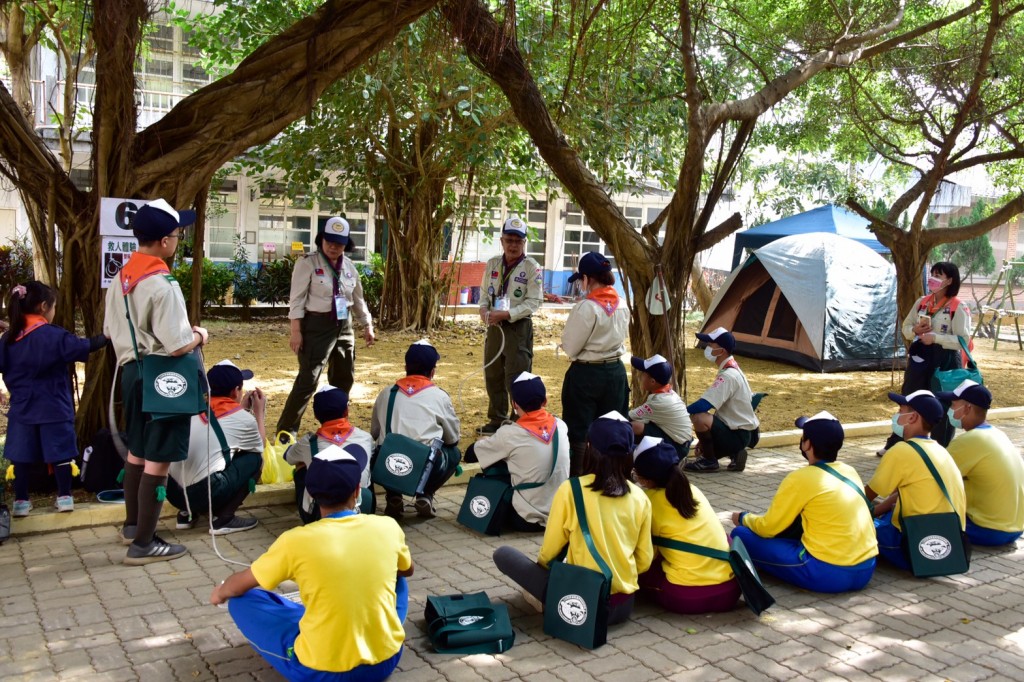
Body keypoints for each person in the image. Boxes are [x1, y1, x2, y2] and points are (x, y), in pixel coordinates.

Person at [211, 442, 413, 682]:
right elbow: (407, 570)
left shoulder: (295, 541)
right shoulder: (387, 526)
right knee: (398, 578)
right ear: (357, 491)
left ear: (312, 495)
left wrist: (221, 592)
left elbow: (240, 584)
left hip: (321, 673)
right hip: (385, 661)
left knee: (240, 600)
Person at [104, 198, 209, 565]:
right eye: (178, 233)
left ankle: (133, 526)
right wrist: (200, 335)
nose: (179, 239)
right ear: (165, 241)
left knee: (137, 450)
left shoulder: (121, 277)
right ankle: (145, 544)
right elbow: (178, 344)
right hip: (163, 376)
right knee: (159, 458)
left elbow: (109, 330)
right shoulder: (163, 284)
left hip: (130, 373)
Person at [493, 412, 653, 625]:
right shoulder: (640, 497)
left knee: (504, 554)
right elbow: (643, 560)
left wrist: (547, 576)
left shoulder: (571, 490)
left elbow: (550, 552)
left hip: (581, 600)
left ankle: (549, 603)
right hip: (622, 606)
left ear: (589, 447)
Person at [730, 412, 877, 592]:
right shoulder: (849, 471)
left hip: (828, 572)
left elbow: (768, 528)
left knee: (741, 535)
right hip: (866, 568)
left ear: (807, 444)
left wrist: (744, 518)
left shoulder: (800, 478)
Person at [0, 281, 107, 516]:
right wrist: (107, 336)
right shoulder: (53, 335)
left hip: (22, 409)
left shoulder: (8, 339)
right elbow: (85, 346)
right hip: (54, 407)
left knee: (21, 457)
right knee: (60, 453)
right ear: (44, 306)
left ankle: (20, 502)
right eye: (54, 306)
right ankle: (65, 497)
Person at [277, 216, 375, 440]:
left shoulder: (350, 268)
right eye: (330, 241)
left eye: (339, 243)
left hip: (344, 325)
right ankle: (286, 431)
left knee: (343, 378)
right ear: (321, 240)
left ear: (346, 245)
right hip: (316, 325)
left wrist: (367, 324)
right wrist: (296, 332)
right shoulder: (307, 263)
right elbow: (297, 300)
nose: (333, 247)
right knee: (308, 380)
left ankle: (336, 425)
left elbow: (358, 301)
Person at [633, 437, 740, 613]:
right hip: (731, 590)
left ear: (643, 479)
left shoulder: (647, 502)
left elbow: (647, 557)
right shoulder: (692, 490)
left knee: (638, 571)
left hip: (689, 595)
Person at [867, 390, 967, 571]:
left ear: (912, 418)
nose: (896, 415)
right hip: (949, 538)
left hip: (910, 544)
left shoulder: (901, 450)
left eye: (900, 410)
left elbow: (867, 496)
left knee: (854, 528)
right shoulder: (940, 450)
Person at [878, 261, 970, 455]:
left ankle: (937, 449)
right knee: (909, 399)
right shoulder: (922, 301)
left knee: (942, 403)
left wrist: (936, 338)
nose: (933, 279)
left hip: (944, 360)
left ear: (950, 280)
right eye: (933, 274)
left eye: (939, 275)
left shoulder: (957, 306)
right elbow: (906, 327)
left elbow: (963, 340)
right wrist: (915, 330)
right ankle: (896, 444)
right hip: (920, 358)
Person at [166, 360, 264, 535]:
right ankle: (224, 518)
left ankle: (186, 514)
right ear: (236, 391)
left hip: (174, 493)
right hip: (204, 493)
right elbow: (260, 447)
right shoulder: (244, 420)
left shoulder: (191, 408)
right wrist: (259, 414)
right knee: (255, 460)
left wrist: (240, 409)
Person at [464, 372, 571, 531]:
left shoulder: (509, 434)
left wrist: (484, 442)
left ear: (514, 404)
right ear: (545, 401)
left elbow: (470, 455)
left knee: (493, 464)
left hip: (526, 519)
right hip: (560, 516)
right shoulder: (561, 425)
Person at [370, 339, 461, 519]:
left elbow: (374, 433)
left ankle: (393, 495)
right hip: (423, 465)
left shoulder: (386, 393)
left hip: (390, 464)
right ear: (433, 371)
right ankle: (425, 494)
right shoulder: (439, 396)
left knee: (381, 449)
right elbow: (453, 439)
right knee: (454, 454)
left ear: (405, 367)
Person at [560, 251, 630, 475]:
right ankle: (611, 476)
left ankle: (579, 480)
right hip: (616, 372)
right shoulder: (622, 305)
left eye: (581, 279)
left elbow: (571, 347)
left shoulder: (586, 308)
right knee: (613, 425)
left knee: (579, 428)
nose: (581, 284)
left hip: (586, 375)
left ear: (587, 278)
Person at [936, 380, 1024, 546]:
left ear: (967, 408)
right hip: (1016, 528)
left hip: (988, 530)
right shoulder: (998, 434)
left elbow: (929, 478)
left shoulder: (969, 441)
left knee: (920, 516)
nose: (950, 409)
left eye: (954, 404)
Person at [477, 215, 544, 434]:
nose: (513, 245)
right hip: (495, 327)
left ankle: (518, 420)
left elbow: (535, 301)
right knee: (493, 372)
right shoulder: (493, 264)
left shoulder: (532, 267)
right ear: (502, 240)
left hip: (518, 327)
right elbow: (484, 293)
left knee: (517, 375)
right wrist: (483, 309)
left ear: (524, 242)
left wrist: (508, 313)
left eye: (518, 241)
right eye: (509, 240)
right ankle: (496, 419)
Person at [286, 385, 374, 523]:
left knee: (301, 466)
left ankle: (311, 515)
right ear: (346, 411)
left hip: (320, 513)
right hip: (363, 506)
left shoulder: (308, 443)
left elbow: (288, 457)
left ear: (316, 415)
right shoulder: (365, 437)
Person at [684, 328, 760, 473]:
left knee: (699, 416)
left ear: (721, 351)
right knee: (705, 440)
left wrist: (680, 412)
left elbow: (704, 405)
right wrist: (703, 441)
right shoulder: (732, 367)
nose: (707, 348)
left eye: (710, 345)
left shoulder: (728, 375)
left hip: (737, 434)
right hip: (741, 431)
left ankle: (709, 461)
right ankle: (733, 453)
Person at [628, 354, 693, 456]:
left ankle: (629, 457)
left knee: (633, 426)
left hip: (678, 447)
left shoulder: (658, 403)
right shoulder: (668, 393)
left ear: (652, 381)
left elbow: (629, 417)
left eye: (643, 373)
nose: (640, 376)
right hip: (682, 442)